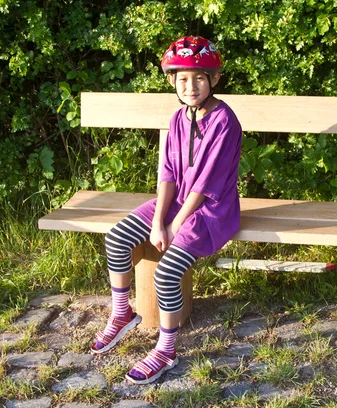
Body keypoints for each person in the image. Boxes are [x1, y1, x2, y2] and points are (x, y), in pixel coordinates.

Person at [90, 36, 242, 385]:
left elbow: (205, 183)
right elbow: (169, 173)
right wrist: (159, 219)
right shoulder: (178, 118)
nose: (191, 86)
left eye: (200, 78)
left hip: (210, 210)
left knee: (166, 273)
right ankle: (122, 312)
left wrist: (173, 225)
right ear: (172, 80)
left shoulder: (224, 121)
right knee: (116, 238)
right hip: (175, 202)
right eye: (183, 79)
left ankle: (167, 349)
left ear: (214, 79)